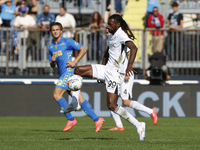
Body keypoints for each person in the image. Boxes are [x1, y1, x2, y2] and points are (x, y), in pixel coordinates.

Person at [73, 14, 146, 141]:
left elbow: (134, 48)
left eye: (110, 24)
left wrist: (129, 66)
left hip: (114, 74)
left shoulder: (121, 34)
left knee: (112, 105)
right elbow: (108, 52)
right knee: (76, 70)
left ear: (117, 25)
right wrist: (101, 69)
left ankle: (139, 125)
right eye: (107, 23)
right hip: (106, 69)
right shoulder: (112, 36)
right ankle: (75, 102)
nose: (108, 26)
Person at [48, 22, 104, 132]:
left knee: (56, 94)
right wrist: (53, 62)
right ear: (51, 31)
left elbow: (83, 49)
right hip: (63, 73)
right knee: (80, 99)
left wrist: (75, 61)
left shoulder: (67, 42)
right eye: (53, 30)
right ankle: (97, 119)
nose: (55, 31)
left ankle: (70, 119)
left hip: (69, 72)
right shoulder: (51, 47)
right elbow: (52, 64)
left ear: (61, 30)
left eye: (57, 29)